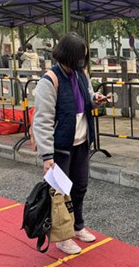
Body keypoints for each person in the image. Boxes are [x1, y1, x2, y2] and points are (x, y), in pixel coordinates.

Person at [33, 32, 109, 255]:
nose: (82, 62)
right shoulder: (50, 80)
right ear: (69, 55)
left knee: (80, 188)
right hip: (60, 147)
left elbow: (87, 98)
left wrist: (95, 100)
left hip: (81, 142)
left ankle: (77, 227)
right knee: (60, 193)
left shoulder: (80, 75)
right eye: (80, 57)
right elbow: (43, 120)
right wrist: (47, 156)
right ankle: (62, 236)